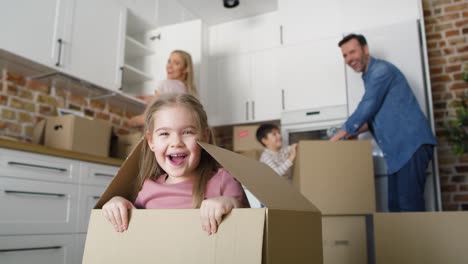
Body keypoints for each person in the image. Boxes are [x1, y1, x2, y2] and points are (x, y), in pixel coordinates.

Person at [103, 93, 250, 235]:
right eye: (164, 134)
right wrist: (118, 202)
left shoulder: (223, 181)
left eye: (187, 132)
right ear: (151, 141)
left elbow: (250, 225)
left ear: (204, 137)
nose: (176, 143)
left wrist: (230, 203)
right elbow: (134, 227)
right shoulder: (147, 187)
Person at [330, 33, 437, 212]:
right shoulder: (370, 77)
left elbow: (367, 107)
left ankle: (418, 240)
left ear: (365, 49)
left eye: (352, 52)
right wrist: (350, 133)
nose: (349, 59)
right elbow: (373, 117)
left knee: (409, 210)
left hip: (411, 145)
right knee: (395, 209)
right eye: (345, 55)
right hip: (397, 153)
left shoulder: (381, 71)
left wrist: (337, 136)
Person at [128, 50, 198, 127]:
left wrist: (130, 122)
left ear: (186, 69)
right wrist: (153, 98)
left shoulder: (165, 84)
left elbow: (146, 119)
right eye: (169, 62)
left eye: (176, 63)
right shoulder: (187, 94)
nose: (169, 66)